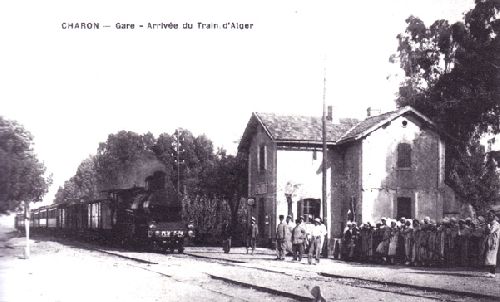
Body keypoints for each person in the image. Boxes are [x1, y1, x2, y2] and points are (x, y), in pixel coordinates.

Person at [484, 210, 500, 278]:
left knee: (492, 256)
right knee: (489, 256)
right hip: (490, 241)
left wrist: (487, 226)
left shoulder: (496, 224)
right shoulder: (491, 224)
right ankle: (490, 272)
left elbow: (490, 231)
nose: (489, 216)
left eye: (490, 215)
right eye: (488, 215)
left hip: (494, 242)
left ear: (493, 216)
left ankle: (493, 272)